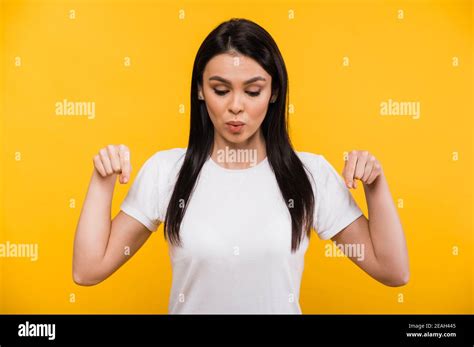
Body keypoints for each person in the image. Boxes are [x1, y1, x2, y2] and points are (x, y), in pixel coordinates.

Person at [73, 18, 409, 314]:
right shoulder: (166, 171)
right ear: (200, 91)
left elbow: (393, 271)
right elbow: (87, 270)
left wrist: (375, 186)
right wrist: (102, 181)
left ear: (274, 92)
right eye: (220, 90)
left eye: (252, 91)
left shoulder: (309, 175)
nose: (236, 106)